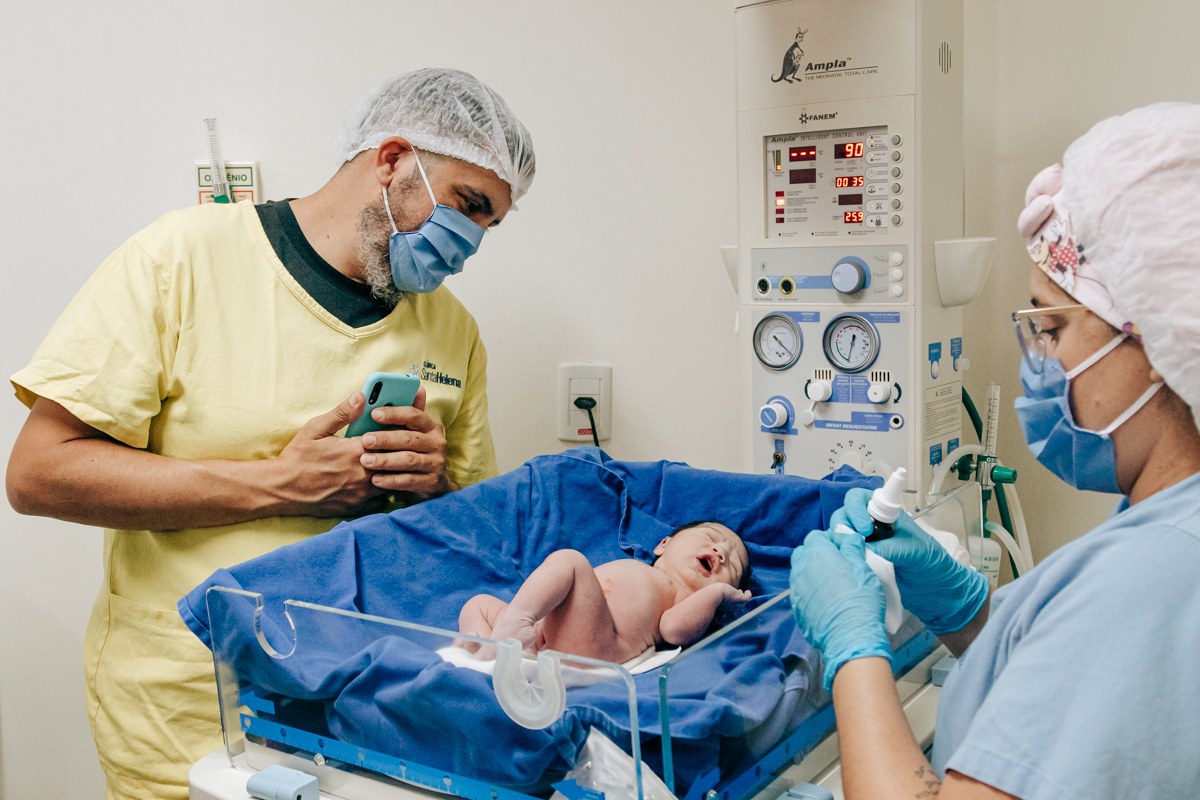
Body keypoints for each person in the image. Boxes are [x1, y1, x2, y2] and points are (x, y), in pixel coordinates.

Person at [4, 68, 534, 800]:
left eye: (488, 226)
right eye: (467, 207)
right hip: (190, 718)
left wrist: (432, 485)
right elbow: (38, 474)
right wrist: (285, 484)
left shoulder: (452, 331)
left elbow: (475, 544)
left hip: (372, 723)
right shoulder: (180, 260)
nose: (469, 243)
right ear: (391, 161)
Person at [789, 102, 1200, 800]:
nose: (1035, 359)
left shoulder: (1153, 574)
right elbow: (1077, 700)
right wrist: (976, 616)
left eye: (1054, 327)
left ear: (1160, 342)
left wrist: (855, 654)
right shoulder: (1165, 523)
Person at [459, 521, 752, 663]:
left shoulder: (688, 597)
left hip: (595, 647)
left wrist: (715, 596)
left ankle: (514, 625)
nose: (721, 551)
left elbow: (674, 630)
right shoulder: (645, 570)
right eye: (711, 537)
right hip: (548, 632)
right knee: (478, 604)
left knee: (570, 562)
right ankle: (482, 649)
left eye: (734, 568)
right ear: (664, 544)